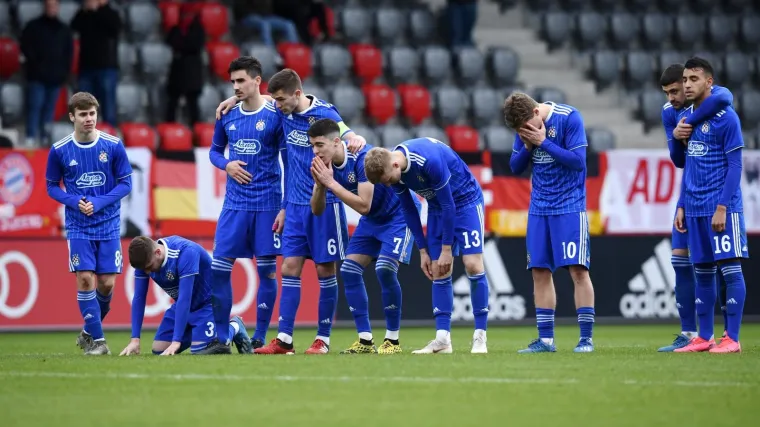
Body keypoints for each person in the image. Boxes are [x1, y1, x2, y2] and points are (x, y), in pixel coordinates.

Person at [216, 68, 366, 355]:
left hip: (325, 203)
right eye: (275, 99)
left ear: (297, 94)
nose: (277, 104)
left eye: (282, 99)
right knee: (289, 267)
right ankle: (284, 339)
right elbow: (259, 99)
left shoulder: (322, 112)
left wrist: (354, 136)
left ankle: (323, 339)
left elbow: (344, 131)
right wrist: (233, 99)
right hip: (295, 206)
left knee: (324, 269)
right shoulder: (281, 109)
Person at [364, 138, 490, 354]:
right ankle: (443, 340)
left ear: (395, 165)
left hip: (465, 201)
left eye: (388, 180)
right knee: (438, 269)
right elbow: (409, 210)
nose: (389, 185)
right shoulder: (394, 171)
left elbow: (449, 205)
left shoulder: (428, 160)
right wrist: (422, 250)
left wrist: (447, 249)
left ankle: (480, 336)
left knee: (472, 264)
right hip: (437, 208)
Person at [308, 118, 420, 354]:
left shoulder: (360, 158)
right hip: (373, 220)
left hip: (398, 214)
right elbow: (317, 210)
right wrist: (320, 185)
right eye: (312, 146)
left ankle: (392, 340)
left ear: (336, 142)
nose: (315, 151)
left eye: (319, 145)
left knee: (385, 269)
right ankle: (365, 340)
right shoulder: (324, 168)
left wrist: (330, 183)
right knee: (349, 270)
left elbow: (364, 206)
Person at [504, 92, 595, 354]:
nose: (524, 132)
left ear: (536, 112)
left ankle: (585, 339)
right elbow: (515, 167)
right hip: (538, 209)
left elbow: (578, 163)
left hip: (569, 206)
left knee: (578, 271)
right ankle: (545, 341)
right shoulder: (524, 126)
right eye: (519, 131)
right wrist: (528, 146)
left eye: (526, 128)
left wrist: (543, 142)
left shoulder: (569, 117)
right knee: (540, 271)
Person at [45, 92, 132, 355]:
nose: (89, 119)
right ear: (72, 117)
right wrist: (74, 201)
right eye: (83, 114)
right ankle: (100, 342)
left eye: (92, 113)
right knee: (85, 279)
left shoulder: (113, 145)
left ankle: (88, 331)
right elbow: (51, 186)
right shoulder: (59, 150)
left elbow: (126, 184)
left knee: (106, 284)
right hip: (78, 226)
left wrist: (99, 202)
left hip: (109, 224)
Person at [207, 57, 285, 353]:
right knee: (218, 269)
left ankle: (260, 336)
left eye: (241, 80)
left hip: (267, 204)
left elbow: (289, 162)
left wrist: (286, 205)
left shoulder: (276, 115)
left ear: (257, 81)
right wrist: (226, 165)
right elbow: (214, 152)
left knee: (267, 272)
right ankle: (221, 337)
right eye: (233, 82)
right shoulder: (226, 114)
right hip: (235, 205)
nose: (236, 87)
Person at [657, 64, 734, 352]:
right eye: (667, 93)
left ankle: (727, 333)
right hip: (689, 195)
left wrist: (690, 120)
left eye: (675, 91)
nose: (672, 98)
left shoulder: (716, 99)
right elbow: (680, 160)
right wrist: (677, 134)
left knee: (722, 266)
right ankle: (689, 332)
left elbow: (726, 97)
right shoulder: (669, 112)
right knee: (680, 260)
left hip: (715, 198)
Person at [673, 57, 747, 354]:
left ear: (709, 82)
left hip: (720, 209)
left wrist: (723, 207)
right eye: (685, 79)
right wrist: (682, 205)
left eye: (694, 79)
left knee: (730, 270)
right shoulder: (686, 119)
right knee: (702, 272)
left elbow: (736, 165)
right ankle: (705, 337)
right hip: (694, 208)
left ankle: (732, 338)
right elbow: (688, 166)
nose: (687, 85)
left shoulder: (726, 117)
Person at [120, 236, 251, 356]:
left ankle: (235, 326)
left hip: (208, 303)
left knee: (202, 351)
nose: (148, 272)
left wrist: (176, 341)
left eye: (149, 267)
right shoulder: (146, 261)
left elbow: (185, 298)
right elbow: (139, 297)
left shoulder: (186, 252)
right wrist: (135, 339)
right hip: (184, 306)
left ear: (158, 252)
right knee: (158, 349)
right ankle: (201, 335)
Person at [19, 0, 73, 146]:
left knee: (49, 110)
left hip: (55, 78)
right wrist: (35, 65)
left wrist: (64, 73)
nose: (51, 8)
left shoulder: (64, 29)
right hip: (36, 77)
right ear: (44, 7)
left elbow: (68, 54)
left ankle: (45, 137)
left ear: (58, 7)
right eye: (49, 5)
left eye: (54, 5)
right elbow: (25, 47)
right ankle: (30, 137)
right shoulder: (33, 26)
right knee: (34, 107)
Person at [70, 0, 121, 126]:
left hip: (106, 67)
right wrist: (84, 10)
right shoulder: (85, 14)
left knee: (108, 107)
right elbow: (74, 26)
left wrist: (100, 9)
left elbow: (115, 28)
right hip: (86, 67)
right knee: (84, 106)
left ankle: (109, 133)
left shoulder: (111, 13)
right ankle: (85, 135)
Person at [165, 3, 206, 126]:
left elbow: (194, 45)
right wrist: (183, 44)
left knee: (192, 103)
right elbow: (170, 41)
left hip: (192, 72)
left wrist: (181, 45)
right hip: (177, 72)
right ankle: (170, 128)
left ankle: (195, 128)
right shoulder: (176, 29)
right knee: (173, 102)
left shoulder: (198, 29)